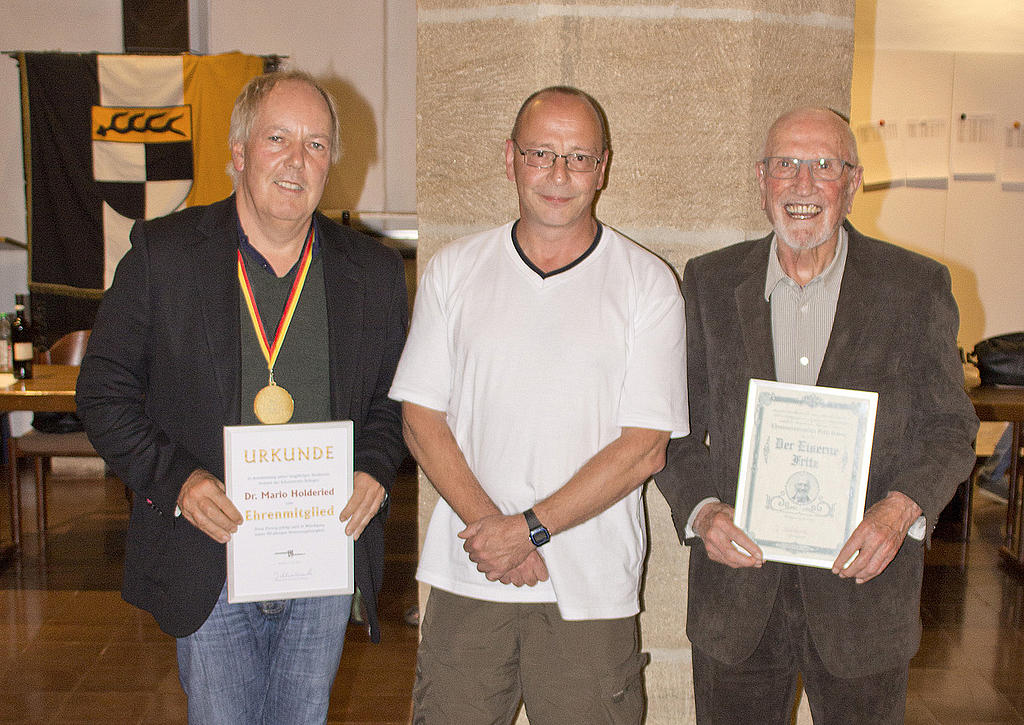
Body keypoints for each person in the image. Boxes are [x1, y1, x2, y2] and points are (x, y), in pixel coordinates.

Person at [75, 70, 408, 724]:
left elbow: (396, 397)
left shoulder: (371, 272)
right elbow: (103, 391)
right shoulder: (164, 256)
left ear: (332, 163)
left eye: (316, 144)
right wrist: (178, 480)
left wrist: (373, 465)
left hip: (321, 549)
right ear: (238, 152)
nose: (297, 160)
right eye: (277, 138)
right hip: (210, 553)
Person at [654, 107, 979, 724]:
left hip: (865, 588)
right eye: (787, 164)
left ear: (852, 183)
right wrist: (702, 511)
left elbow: (949, 428)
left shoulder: (915, 287)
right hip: (737, 596)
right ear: (762, 179)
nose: (803, 184)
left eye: (825, 166)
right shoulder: (710, 282)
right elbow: (672, 426)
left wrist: (898, 512)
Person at [388, 86, 688, 724]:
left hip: (590, 586)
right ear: (509, 158)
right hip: (472, 571)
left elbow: (644, 449)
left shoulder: (647, 284)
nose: (559, 174)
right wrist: (495, 532)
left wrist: (530, 529)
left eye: (579, 157)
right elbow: (420, 419)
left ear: (602, 168)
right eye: (541, 153)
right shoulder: (455, 269)